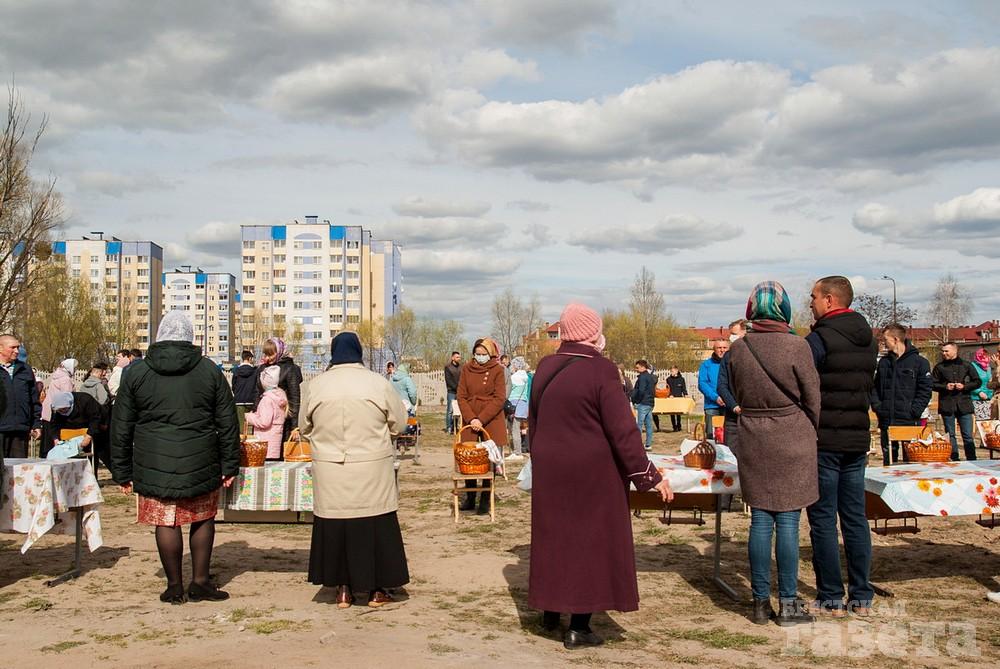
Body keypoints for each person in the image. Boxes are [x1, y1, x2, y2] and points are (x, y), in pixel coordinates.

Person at [528, 303, 672, 649]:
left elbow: (534, 419)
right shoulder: (601, 370)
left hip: (550, 466)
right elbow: (623, 430)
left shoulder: (546, 366)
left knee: (554, 538)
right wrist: (649, 476)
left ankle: (550, 612)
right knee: (588, 542)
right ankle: (578, 626)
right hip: (591, 472)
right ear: (593, 332)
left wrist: (540, 457)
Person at [110, 311, 240, 604]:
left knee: (166, 521)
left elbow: (121, 425)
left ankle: (174, 586)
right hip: (201, 458)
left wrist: (121, 471)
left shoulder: (137, 373)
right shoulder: (209, 370)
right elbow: (228, 421)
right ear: (190, 336)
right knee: (202, 517)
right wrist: (230, 463)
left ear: (159, 335)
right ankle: (201, 582)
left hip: (154, 461)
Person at [728, 282, 821, 626]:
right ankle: (788, 604)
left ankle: (758, 604)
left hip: (753, 436)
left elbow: (735, 390)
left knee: (760, 521)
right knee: (788, 522)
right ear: (783, 309)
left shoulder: (738, 349)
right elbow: (813, 395)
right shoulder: (797, 346)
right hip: (792, 434)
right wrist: (810, 427)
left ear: (752, 309)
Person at [302, 331, 409, 609]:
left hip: (331, 469)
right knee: (373, 527)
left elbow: (304, 427)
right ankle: (375, 590)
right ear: (359, 352)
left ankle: (343, 589)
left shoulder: (316, 386)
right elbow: (399, 424)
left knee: (337, 527)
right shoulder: (378, 383)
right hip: (371, 468)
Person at [804, 276, 877, 617]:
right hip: (857, 438)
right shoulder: (868, 338)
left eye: (814, 297)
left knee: (822, 519)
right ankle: (861, 596)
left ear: (830, 300)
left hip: (825, 440)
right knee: (855, 518)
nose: (810, 303)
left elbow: (802, 381)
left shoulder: (820, 338)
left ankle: (831, 596)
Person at [457, 338, 508, 515]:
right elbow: (461, 396)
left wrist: (482, 418)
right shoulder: (466, 369)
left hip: (491, 418)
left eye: (483, 354)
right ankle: (470, 497)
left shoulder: (497, 370)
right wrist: (471, 418)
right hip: (470, 417)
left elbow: (499, 398)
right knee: (469, 456)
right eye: (477, 354)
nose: (480, 357)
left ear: (490, 354)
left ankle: (486, 498)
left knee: (488, 457)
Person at [871, 323, 933, 466]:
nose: (883, 343)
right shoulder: (884, 363)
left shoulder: (919, 363)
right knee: (889, 461)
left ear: (895, 339)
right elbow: (875, 387)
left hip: (909, 420)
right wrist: (878, 407)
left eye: (885, 339)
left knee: (911, 461)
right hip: (887, 419)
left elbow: (925, 390)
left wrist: (914, 411)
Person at [932, 342, 981, 460]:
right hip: (947, 404)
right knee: (950, 434)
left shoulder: (966, 365)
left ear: (955, 351)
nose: (944, 353)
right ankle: (954, 458)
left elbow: (977, 381)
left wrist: (964, 386)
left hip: (964, 404)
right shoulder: (939, 367)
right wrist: (945, 387)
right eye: (943, 351)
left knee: (967, 435)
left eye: (946, 351)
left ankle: (971, 458)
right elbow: (932, 384)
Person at [0, 334, 42, 459]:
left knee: (19, 468)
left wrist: (36, 424)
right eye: (12, 347)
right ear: (1, 348)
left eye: (18, 347)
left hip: (20, 429)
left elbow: (34, 399)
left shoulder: (25, 369)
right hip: (1, 427)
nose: (17, 351)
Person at [255, 337, 303, 446]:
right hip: (265, 417)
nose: (268, 358)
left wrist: (294, 426)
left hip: (283, 419)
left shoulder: (289, 369)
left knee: (280, 450)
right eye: (266, 354)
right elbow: (257, 393)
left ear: (279, 351)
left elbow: (294, 398)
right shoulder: (262, 369)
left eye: (271, 354)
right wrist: (256, 413)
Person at [244, 365, 288, 460]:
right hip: (274, 443)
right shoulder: (279, 398)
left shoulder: (267, 400)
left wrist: (249, 417)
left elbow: (264, 422)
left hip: (265, 443)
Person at [717, 320, 748, 447]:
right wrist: (734, 406)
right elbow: (721, 385)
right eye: (730, 334)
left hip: (753, 415)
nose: (731, 337)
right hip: (732, 416)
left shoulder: (756, 355)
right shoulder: (728, 357)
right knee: (730, 452)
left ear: (745, 332)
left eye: (734, 334)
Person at [46, 391, 103, 460]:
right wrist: (56, 439)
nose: (62, 412)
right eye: (59, 410)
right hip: (69, 436)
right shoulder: (56, 409)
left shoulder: (85, 400)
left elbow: (95, 419)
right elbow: (54, 424)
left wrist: (89, 436)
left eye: (64, 409)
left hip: (89, 430)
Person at [78, 363, 113, 471]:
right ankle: (115, 471)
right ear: (98, 374)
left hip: (86, 419)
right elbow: (103, 400)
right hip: (99, 418)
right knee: (103, 448)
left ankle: (92, 473)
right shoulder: (99, 385)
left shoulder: (83, 385)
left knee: (91, 449)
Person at [699, 340, 729, 434]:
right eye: (719, 348)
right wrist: (715, 397)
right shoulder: (706, 365)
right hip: (712, 406)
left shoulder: (733, 363)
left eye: (724, 348)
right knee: (711, 435)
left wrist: (728, 398)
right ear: (714, 349)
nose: (722, 350)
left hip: (729, 405)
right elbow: (702, 384)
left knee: (728, 434)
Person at [506, 356, 530, 461]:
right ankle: (517, 450)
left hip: (513, 404)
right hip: (523, 404)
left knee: (514, 429)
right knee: (518, 428)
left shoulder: (513, 377)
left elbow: (509, 391)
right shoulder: (526, 377)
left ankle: (517, 452)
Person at [41, 358, 78, 422]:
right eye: (74, 368)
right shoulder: (65, 379)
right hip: (57, 412)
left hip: (48, 410)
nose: (75, 370)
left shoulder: (57, 376)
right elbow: (67, 398)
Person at [631, 360, 655, 451]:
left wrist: (636, 400)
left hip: (643, 403)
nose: (636, 369)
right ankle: (648, 444)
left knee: (639, 424)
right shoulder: (650, 377)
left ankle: (636, 445)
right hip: (650, 403)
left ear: (643, 367)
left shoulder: (642, 378)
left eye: (637, 367)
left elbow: (641, 391)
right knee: (648, 425)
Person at [231, 350, 258, 433]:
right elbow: (257, 386)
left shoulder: (236, 371)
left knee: (240, 426)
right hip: (251, 400)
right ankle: (250, 439)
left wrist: (237, 393)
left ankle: (242, 439)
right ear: (250, 358)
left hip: (239, 401)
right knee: (250, 425)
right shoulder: (255, 371)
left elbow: (233, 386)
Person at [971, 348, 994, 422]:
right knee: (980, 423)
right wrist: (979, 392)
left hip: (988, 398)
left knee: (989, 423)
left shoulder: (988, 367)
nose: (985, 357)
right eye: (982, 355)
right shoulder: (973, 366)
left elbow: (989, 381)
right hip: (977, 398)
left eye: (986, 355)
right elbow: (969, 382)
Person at [444, 351, 462, 433]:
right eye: (457, 357)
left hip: (460, 392)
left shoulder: (461, 367)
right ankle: (449, 427)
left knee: (457, 411)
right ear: (453, 358)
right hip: (451, 392)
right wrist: (456, 388)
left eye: (459, 357)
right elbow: (449, 381)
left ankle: (455, 427)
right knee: (450, 410)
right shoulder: (448, 367)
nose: (459, 358)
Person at [665, 366, 687, 432]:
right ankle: (674, 426)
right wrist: (670, 395)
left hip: (679, 398)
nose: (671, 372)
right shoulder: (668, 379)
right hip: (671, 399)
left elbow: (683, 388)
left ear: (677, 371)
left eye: (672, 371)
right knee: (672, 413)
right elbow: (667, 389)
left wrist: (685, 394)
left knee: (678, 413)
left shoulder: (681, 379)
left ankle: (679, 426)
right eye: (671, 371)